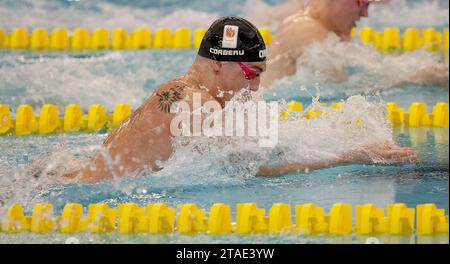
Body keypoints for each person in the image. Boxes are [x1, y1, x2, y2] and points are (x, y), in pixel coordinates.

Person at [71, 16, 416, 184]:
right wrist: (348, 156)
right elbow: (250, 169)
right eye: (251, 74)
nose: (255, 87)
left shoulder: (184, 91)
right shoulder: (194, 104)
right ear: (218, 64)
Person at [261, 0, 449, 87]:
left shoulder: (324, 29)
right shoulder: (306, 30)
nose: (365, 14)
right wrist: (416, 77)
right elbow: (342, 87)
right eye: (364, 3)